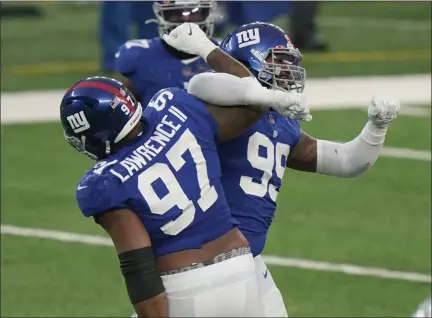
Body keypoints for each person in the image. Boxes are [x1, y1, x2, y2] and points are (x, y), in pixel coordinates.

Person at [163, 22, 401, 317]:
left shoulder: (280, 121)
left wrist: (376, 127)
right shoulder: (216, 104)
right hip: (203, 262)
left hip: (248, 261)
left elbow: (346, 161)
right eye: (278, 60)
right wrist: (209, 51)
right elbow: (202, 83)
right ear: (245, 60)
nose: (289, 71)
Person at [59, 43, 311, 317]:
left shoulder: (104, 182)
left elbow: (139, 269)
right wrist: (208, 49)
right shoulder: (175, 109)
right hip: (241, 270)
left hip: (184, 286)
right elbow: (252, 100)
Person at [114, 0, 218, 105]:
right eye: (177, 13)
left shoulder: (227, 55)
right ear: (162, 16)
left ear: (208, 14)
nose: (186, 19)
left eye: (195, 12)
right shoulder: (139, 55)